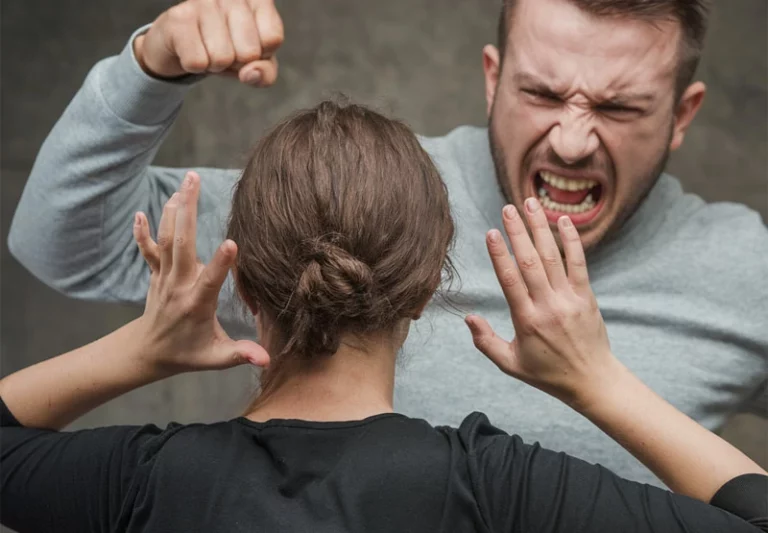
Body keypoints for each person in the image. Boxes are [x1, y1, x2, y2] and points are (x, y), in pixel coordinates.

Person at [6, 0, 768, 486]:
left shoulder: (741, 268)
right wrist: (148, 69)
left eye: (619, 106)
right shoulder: (376, 198)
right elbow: (64, 243)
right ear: (492, 77)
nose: (571, 140)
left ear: (682, 113)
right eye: (541, 93)